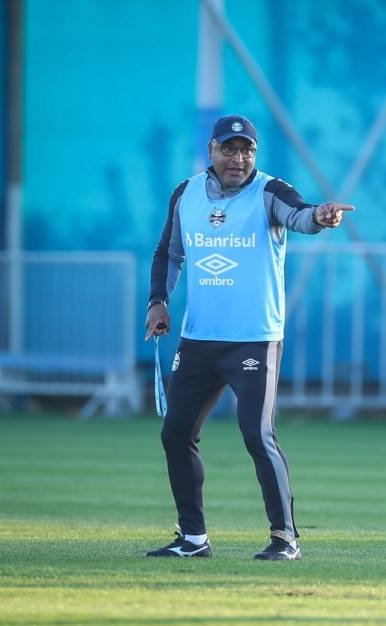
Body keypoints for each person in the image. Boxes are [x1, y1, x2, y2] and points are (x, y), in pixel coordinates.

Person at [143, 114, 354, 560]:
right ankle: (193, 538)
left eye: (248, 150)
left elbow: (300, 216)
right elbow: (170, 252)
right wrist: (158, 301)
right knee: (175, 433)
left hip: (254, 339)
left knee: (257, 435)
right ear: (212, 151)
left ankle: (285, 539)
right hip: (199, 338)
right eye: (230, 149)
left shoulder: (270, 191)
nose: (239, 158)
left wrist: (320, 215)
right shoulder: (186, 194)